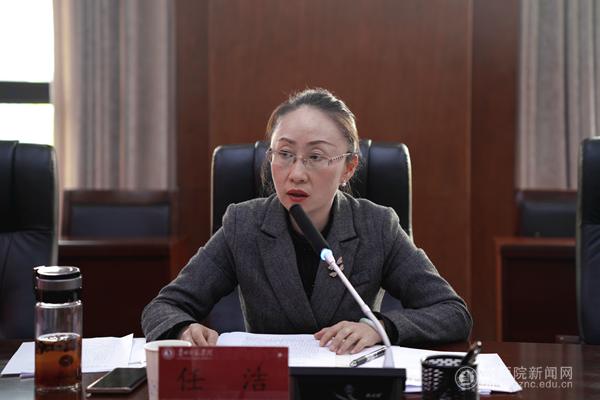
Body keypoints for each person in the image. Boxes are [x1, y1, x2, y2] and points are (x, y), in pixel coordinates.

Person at [142, 88, 472, 355]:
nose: (296, 173)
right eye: (285, 154)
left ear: (348, 168)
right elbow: (164, 307)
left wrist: (380, 327)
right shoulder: (244, 224)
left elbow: (452, 313)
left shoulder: (376, 226)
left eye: (315, 157)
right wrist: (184, 329)